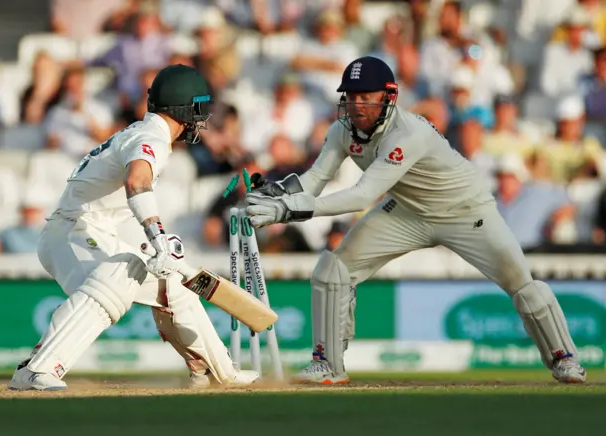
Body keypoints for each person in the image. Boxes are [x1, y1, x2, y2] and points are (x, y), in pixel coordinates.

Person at [245, 56, 586, 385]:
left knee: (522, 284)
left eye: (366, 96)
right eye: (350, 96)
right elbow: (314, 179)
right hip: (407, 210)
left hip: (465, 210)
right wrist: (277, 195)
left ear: (389, 96)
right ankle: (327, 363)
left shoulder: (407, 133)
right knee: (334, 268)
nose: (357, 104)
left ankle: (563, 357)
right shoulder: (341, 130)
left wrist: (290, 210)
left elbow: (363, 195)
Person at [8, 64, 258, 391]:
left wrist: (159, 249)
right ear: (182, 107)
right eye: (198, 109)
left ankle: (216, 372)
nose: (201, 119)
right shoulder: (150, 135)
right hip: (71, 233)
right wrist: (157, 234)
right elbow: (136, 181)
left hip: (95, 232)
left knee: (174, 284)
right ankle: (37, 370)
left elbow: (118, 206)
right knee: (121, 274)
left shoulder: (144, 133)